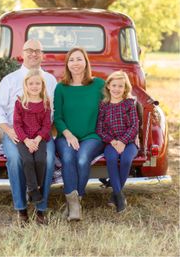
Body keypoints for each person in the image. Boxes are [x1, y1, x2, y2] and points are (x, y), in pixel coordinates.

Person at [0, 40, 57, 225]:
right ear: (23, 53)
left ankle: (41, 209)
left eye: (38, 51)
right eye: (30, 50)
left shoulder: (50, 80)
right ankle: (21, 209)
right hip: (15, 132)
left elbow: (55, 111)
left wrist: (43, 136)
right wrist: (9, 131)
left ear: (42, 54)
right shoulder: (10, 80)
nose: (34, 54)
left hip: (42, 133)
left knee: (49, 159)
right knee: (15, 158)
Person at [54, 47, 105, 221]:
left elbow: (113, 105)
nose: (75, 63)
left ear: (86, 62)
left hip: (92, 136)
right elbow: (57, 117)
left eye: (79, 59)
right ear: (67, 64)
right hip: (65, 136)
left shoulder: (98, 84)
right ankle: (74, 206)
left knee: (82, 158)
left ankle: (76, 201)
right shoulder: (61, 88)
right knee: (68, 158)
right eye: (71, 60)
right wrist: (68, 134)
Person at [96, 70, 139, 213]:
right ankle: (119, 197)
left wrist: (123, 141)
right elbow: (100, 129)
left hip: (130, 142)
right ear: (108, 86)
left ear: (125, 88)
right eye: (114, 85)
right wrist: (113, 141)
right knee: (111, 158)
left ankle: (114, 194)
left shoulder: (129, 104)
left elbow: (134, 126)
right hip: (111, 143)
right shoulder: (104, 105)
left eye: (120, 86)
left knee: (127, 160)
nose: (116, 89)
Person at [13, 69, 51, 205]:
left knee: (41, 160)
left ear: (42, 86)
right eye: (31, 84)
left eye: (37, 83)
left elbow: (47, 125)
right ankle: (33, 190)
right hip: (24, 139)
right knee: (28, 161)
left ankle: (37, 187)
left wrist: (38, 139)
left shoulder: (46, 103)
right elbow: (17, 124)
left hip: (39, 138)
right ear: (26, 85)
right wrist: (27, 140)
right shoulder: (20, 103)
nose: (34, 86)